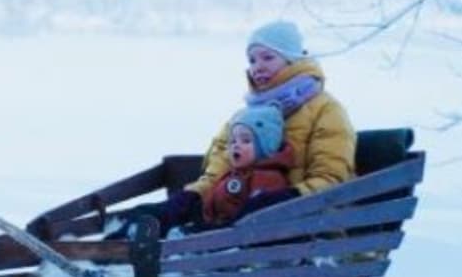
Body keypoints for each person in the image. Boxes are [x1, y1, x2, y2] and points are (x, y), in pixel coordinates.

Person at [146, 20, 356, 236]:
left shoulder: (326, 110)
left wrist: (285, 199)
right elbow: (218, 173)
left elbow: (332, 180)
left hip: (303, 228)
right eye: (252, 60)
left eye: (268, 57)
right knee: (160, 223)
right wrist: (189, 199)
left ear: (292, 61)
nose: (258, 67)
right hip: (233, 223)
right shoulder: (244, 117)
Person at [198, 105, 295, 228]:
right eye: (233, 141)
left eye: (245, 141)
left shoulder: (268, 178)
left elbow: (258, 217)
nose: (236, 145)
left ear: (264, 148)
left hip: (244, 240)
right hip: (221, 234)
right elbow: (210, 206)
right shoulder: (230, 175)